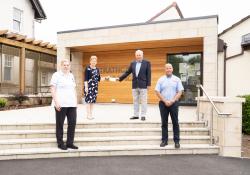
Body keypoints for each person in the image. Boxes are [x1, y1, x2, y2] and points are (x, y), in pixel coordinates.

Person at [50, 59, 78, 150]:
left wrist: (76, 101)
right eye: (64, 65)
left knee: (72, 123)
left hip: (72, 104)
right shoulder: (56, 75)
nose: (66, 66)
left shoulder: (71, 75)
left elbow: (73, 89)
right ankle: (60, 143)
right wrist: (56, 102)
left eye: (68, 65)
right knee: (60, 124)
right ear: (61, 66)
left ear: (69, 66)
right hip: (60, 104)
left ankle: (70, 143)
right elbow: (52, 89)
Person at [155, 63, 184, 149]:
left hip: (174, 103)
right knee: (164, 123)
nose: (168, 69)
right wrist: (164, 100)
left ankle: (177, 141)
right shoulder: (161, 79)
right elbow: (157, 91)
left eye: (170, 68)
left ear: (172, 69)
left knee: (175, 122)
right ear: (165, 69)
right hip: (163, 104)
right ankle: (164, 141)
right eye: (167, 68)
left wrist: (172, 100)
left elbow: (180, 92)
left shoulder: (177, 79)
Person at [117, 50, 151, 121]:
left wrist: (148, 84)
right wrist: (120, 78)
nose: (138, 56)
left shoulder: (147, 63)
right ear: (135, 56)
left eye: (140, 55)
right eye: (137, 55)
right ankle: (136, 115)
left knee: (143, 100)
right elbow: (127, 72)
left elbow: (149, 74)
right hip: (135, 85)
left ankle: (143, 115)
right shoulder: (133, 63)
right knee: (135, 100)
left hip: (143, 85)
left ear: (142, 55)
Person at [84, 55, 101, 120]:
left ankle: (91, 114)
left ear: (96, 62)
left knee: (92, 101)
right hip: (89, 86)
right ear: (90, 61)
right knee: (88, 101)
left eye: (95, 61)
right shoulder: (87, 68)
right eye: (92, 61)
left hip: (95, 87)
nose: (94, 62)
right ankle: (88, 115)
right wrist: (86, 87)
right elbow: (85, 78)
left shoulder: (97, 69)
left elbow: (98, 79)